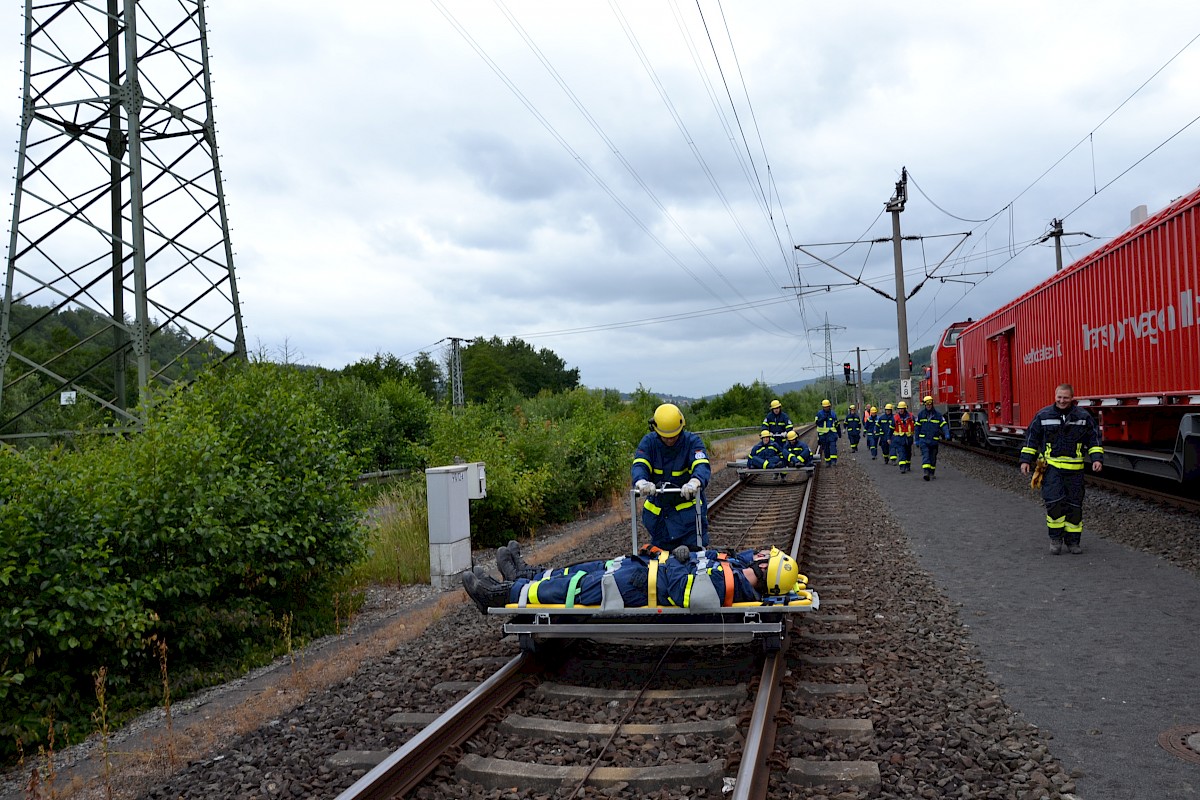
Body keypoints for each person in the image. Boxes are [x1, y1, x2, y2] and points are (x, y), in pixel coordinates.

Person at [470, 544, 803, 612]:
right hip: (642, 571)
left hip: (639, 588)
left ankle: (501, 594)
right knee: (583, 569)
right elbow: (741, 557)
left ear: (763, 569)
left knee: (572, 588)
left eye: (764, 556)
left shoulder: (726, 583)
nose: (759, 551)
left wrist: (675, 559)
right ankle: (525, 575)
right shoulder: (738, 569)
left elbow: (683, 593)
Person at [1019, 383, 1104, 555]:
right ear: (1055, 396)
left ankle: (1073, 542)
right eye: (1059, 397)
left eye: (1066, 398)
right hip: (1052, 469)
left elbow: (1094, 439)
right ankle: (1055, 539)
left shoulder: (1083, 417)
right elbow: (1031, 439)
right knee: (1054, 504)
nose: (1062, 401)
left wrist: (1097, 459)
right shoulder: (1043, 415)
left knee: (1075, 506)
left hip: (1075, 471)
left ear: (1072, 398)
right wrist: (1025, 460)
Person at [631, 403, 712, 551]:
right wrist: (641, 481)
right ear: (655, 429)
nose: (670, 440)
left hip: (690, 522)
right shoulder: (649, 443)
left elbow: (701, 465)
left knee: (693, 562)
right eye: (666, 437)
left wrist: (695, 482)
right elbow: (640, 465)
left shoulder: (692, 442)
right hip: (659, 521)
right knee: (662, 566)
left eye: (674, 436)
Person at [914, 395, 950, 481]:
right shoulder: (921, 415)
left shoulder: (938, 415)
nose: (929, 406)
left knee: (933, 457)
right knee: (926, 455)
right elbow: (917, 428)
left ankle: (932, 472)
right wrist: (917, 440)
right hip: (924, 440)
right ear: (925, 405)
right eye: (927, 404)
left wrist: (947, 434)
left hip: (934, 440)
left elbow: (943, 425)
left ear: (932, 404)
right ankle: (926, 472)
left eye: (930, 404)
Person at [890, 401, 915, 473]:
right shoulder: (895, 418)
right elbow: (891, 429)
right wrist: (889, 438)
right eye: (899, 409)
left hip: (908, 438)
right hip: (899, 439)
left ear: (905, 408)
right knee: (901, 452)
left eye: (902, 408)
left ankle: (907, 465)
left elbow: (916, 426)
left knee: (908, 453)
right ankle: (902, 467)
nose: (900, 410)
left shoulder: (911, 416)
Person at [814, 399, 840, 466]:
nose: (826, 408)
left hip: (832, 433)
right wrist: (822, 418)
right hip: (823, 435)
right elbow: (816, 422)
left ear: (829, 406)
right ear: (823, 407)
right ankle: (828, 461)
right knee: (826, 448)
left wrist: (839, 433)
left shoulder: (833, 413)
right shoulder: (819, 414)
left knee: (833, 446)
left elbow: (837, 423)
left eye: (827, 407)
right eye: (825, 407)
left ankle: (834, 461)